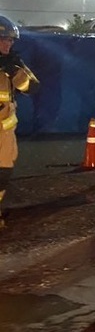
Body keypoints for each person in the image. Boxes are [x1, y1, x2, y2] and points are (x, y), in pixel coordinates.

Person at [0, 16, 39, 229]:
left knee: (3, 175)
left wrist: (14, 71)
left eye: (11, 40)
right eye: (4, 39)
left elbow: (33, 87)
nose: (9, 44)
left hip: (5, 133)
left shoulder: (13, 63)